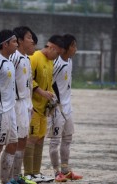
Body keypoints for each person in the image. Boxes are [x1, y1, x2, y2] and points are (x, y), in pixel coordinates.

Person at [23, 35, 65, 183]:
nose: (57, 57)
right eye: (57, 53)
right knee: (31, 139)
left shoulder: (50, 62)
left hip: (43, 109)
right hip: (33, 107)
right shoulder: (34, 57)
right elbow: (28, 79)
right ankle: (27, 173)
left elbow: (48, 83)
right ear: (51, 47)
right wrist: (41, 92)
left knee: (40, 139)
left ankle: (36, 172)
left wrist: (51, 96)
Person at [48, 34, 83, 182]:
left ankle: (65, 170)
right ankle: (57, 173)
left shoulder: (69, 61)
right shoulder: (56, 64)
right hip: (58, 108)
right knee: (55, 141)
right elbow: (48, 82)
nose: (76, 49)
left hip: (68, 107)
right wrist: (52, 103)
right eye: (74, 46)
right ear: (66, 48)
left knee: (67, 139)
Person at [0, 29, 18, 184]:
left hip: (11, 109)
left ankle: (6, 180)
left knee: (13, 144)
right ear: (5, 44)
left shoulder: (10, 61)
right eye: (14, 42)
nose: (16, 44)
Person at [9, 26, 37, 184]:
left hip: (26, 105)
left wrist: (30, 103)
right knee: (15, 141)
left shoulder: (26, 59)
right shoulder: (15, 57)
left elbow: (28, 84)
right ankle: (11, 177)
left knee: (23, 140)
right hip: (16, 104)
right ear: (19, 41)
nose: (32, 40)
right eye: (28, 37)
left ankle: (17, 176)